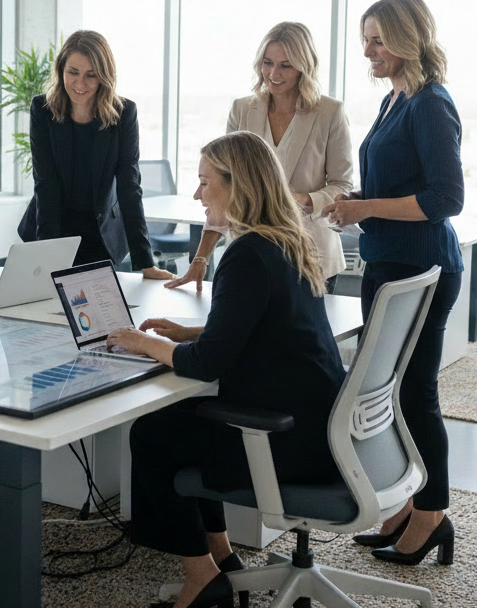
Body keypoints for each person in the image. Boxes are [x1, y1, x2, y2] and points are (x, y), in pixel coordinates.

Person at [107, 131, 344, 608]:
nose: (197, 194)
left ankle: (201, 577)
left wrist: (143, 342)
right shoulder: (285, 241)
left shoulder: (246, 255)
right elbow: (263, 329)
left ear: (240, 186)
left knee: (152, 435)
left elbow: (208, 365)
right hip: (320, 427)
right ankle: (222, 558)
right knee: (185, 424)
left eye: (204, 182)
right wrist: (186, 333)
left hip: (284, 439)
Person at [321, 0, 463, 566]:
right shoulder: (393, 101)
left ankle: (432, 515)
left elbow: (445, 199)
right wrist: (360, 203)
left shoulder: (430, 103)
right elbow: (395, 185)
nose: (368, 50)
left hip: (420, 269)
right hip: (389, 263)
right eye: (366, 38)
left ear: (407, 39)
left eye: (377, 39)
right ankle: (407, 506)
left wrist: (368, 209)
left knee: (416, 393)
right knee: (392, 393)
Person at [166, 22, 352, 293]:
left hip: (311, 254)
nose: (274, 74)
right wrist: (201, 258)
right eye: (268, 63)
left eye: (285, 65)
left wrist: (301, 200)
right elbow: (223, 185)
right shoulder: (243, 110)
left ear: (304, 67)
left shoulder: (329, 112)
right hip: (251, 254)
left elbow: (342, 185)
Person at [18, 30, 173, 280]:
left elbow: (129, 187)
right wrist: (45, 253)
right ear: (61, 70)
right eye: (73, 73)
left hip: (99, 234)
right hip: (53, 228)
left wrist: (146, 262)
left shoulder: (123, 114)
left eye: (91, 75)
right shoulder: (43, 109)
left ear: (104, 76)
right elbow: (45, 184)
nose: (80, 84)